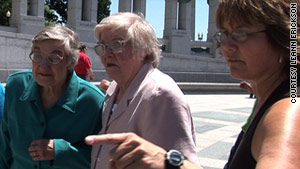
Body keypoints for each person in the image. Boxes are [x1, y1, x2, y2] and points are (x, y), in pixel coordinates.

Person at [86, 0, 300, 169]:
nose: (225, 46)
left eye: (241, 34)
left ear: (283, 37)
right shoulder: (270, 100)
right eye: (223, 34)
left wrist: (170, 162)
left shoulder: (288, 111)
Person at [90, 12, 199, 169]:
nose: (106, 54)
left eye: (116, 45)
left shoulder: (160, 95)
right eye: (103, 47)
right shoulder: (114, 87)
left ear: (144, 48)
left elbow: (184, 163)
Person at [0, 25, 105, 169]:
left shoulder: (93, 101)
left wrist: (61, 151)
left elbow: (102, 158)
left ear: (71, 62)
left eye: (54, 58)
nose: (43, 66)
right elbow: (4, 142)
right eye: (37, 56)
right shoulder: (16, 85)